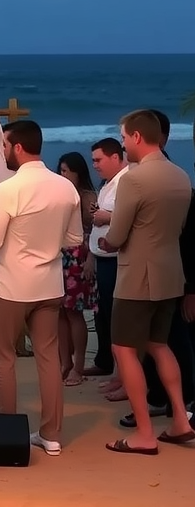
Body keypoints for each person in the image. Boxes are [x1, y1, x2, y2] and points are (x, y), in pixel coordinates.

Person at [0, 120, 83, 456]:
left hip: (13, 285)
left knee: (3, 358)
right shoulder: (66, 188)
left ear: (17, 147)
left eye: (3, 145)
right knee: (48, 358)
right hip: (49, 284)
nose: (2, 152)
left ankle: (7, 430)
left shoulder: (7, 189)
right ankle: (52, 435)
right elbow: (74, 239)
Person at [99, 110, 194, 454]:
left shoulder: (134, 180)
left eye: (124, 138)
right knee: (159, 344)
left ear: (137, 137)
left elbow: (119, 233)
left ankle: (144, 433)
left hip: (138, 276)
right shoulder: (180, 175)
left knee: (124, 348)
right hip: (171, 272)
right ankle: (181, 419)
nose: (123, 145)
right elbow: (179, 228)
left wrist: (107, 241)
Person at [84, 139, 128, 385]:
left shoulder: (126, 181)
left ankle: (122, 375)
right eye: (93, 160)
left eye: (98, 160)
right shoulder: (107, 183)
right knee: (104, 316)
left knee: (116, 318)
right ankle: (112, 368)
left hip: (116, 260)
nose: (95, 165)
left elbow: (131, 216)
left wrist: (106, 216)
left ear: (115, 157)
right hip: (103, 258)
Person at [56, 152, 98, 386]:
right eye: (60, 170)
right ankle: (65, 362)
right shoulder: (59, 194)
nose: (61, 175)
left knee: (74, 311)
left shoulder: (88, 196)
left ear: (76, 172)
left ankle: (78, 366)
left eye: (65, 171)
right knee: (60, 311)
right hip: (59, 255)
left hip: (78, 256)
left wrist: (91, 258)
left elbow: (95, 231)